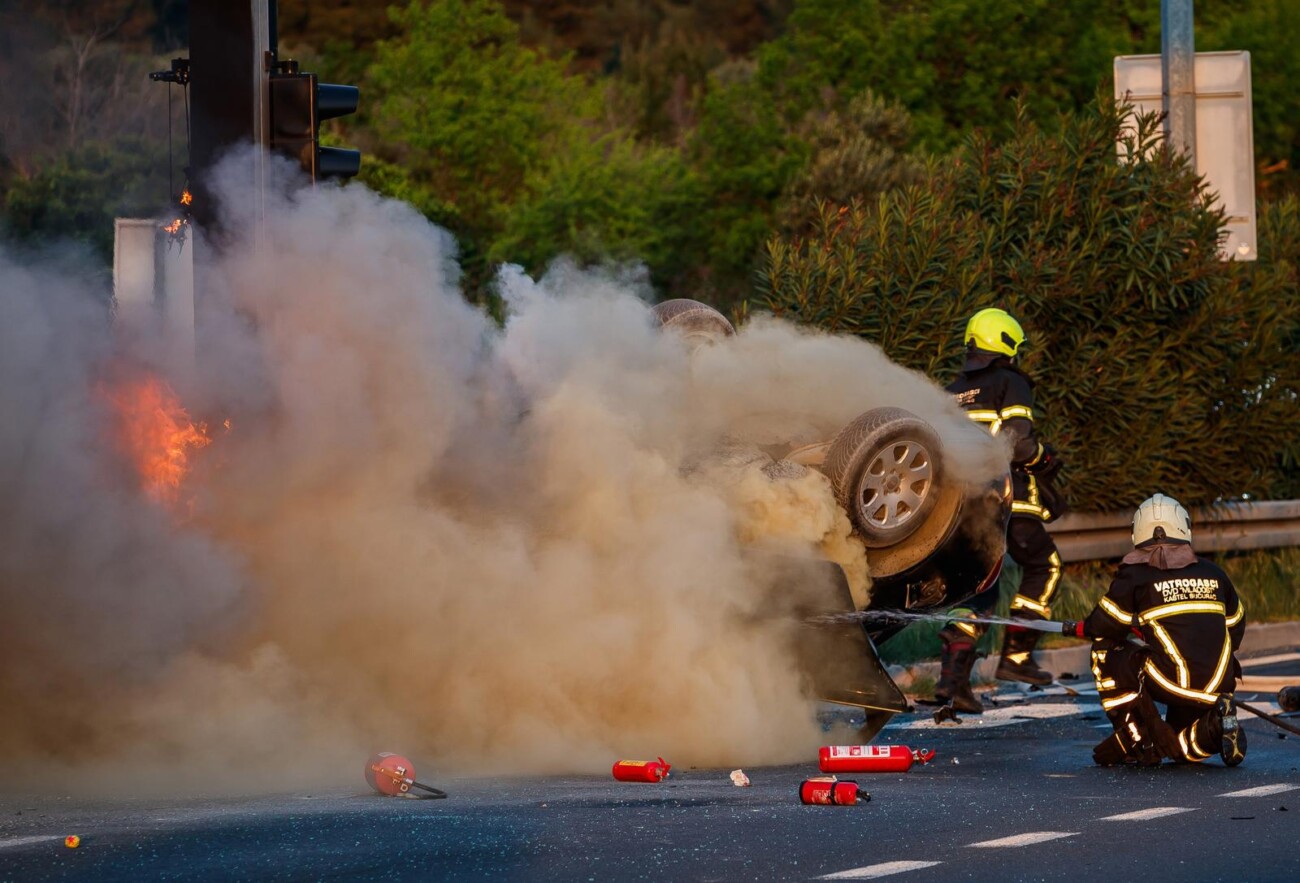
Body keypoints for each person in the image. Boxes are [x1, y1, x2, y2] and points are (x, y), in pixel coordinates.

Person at [934, 307, 1066, 712]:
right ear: (1006, 345)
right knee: (1046, 565)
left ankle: (952, 681)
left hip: (962, 505)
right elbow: (1018, 444)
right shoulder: (1011, 383)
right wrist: (1046, 459)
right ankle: (1017, 659)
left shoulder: (952, 390)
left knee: (980, 584)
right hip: (1009, 497)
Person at [1061, 493, 1247, 766]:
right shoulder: (1215, 573)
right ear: (1184, 528)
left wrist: (1083, 627)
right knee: (1180, 749)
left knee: (1105, 650)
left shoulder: (1135, 574)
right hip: (1218, 685)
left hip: (1172, 683)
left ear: (1138, 532)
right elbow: (1235, 627)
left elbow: (1105, 625)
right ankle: (1214, 729)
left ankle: (1135, 738)